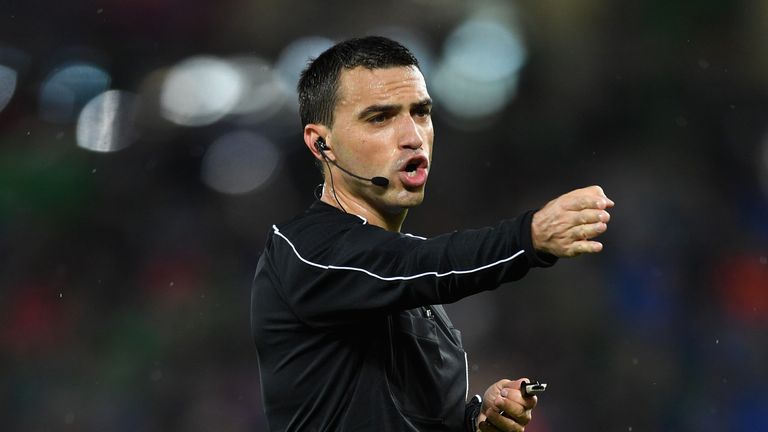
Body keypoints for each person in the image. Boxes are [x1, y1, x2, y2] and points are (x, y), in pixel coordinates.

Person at [251, 36, 614, 432]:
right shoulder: (304, 250)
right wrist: (527, 237)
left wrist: (475, 422)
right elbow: (418, 264)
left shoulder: (410, 284)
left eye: (421, 112)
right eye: (380, 118)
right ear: (322, 143)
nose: (412, 136)